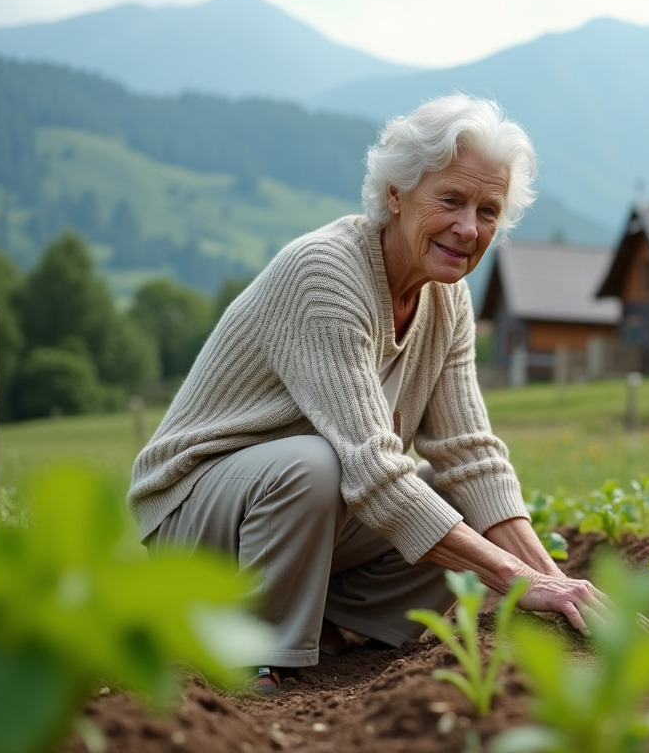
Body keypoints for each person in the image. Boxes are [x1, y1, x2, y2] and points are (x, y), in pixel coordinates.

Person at [128, 94, 608, 693]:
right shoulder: (324, 275)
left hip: (302, 516)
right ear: (396, 195)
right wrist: (516, 578)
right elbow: (373, 470)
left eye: (487, 211)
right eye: (451, 200)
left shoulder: (447, 298)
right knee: (316, 463)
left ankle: (327, 619)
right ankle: (248, 651)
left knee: (450, 496)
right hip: (196, 513)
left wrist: (558, 585)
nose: (468, 228)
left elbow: (471, 455)